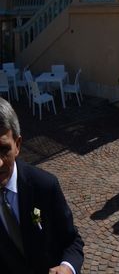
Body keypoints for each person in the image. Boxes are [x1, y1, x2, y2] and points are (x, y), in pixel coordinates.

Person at [0, 98, 84, 273]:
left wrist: (67, 268)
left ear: (17, 145)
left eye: (3, 149)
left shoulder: (44, 186)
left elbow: (71, 241)